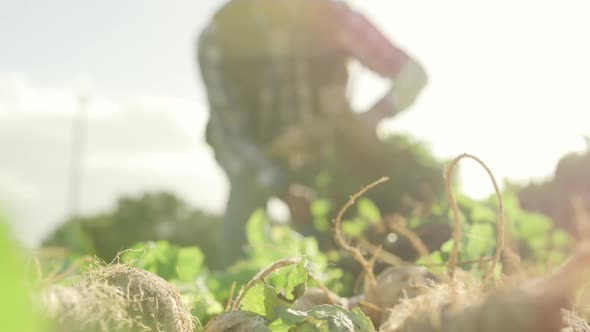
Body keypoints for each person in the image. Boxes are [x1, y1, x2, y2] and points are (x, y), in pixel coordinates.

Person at [197, 0, 430, 268]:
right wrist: (281, 187)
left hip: (326, 154)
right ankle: (233, 291)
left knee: (338, 244)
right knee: (240, 242)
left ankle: (341, 276)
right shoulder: (219, 37)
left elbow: (413, 74)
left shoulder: (334, 18)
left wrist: (373, 116)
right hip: (255, 156)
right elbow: (233, 137)